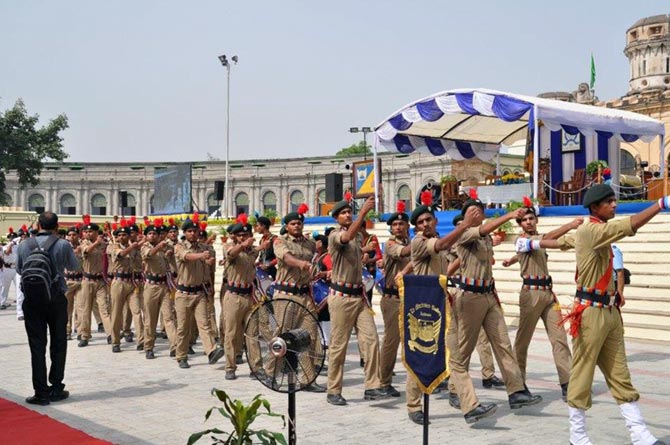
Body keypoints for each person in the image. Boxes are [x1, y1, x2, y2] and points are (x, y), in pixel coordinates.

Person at [516, 184, 668, 445]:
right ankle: (578, 435)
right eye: (608, 202)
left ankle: (639, 433)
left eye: (614, 200)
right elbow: (626, 227)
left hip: (609, 311)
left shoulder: (590, 233)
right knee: (582, 373)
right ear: (595, 207)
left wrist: (535, 242)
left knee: (620, 373)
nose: (614, 205)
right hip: (590, 313)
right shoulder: (591, 230)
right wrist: (660, 204)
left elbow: (563, 241)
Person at [449, 191, 542, 424]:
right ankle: (461, 396)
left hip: (488, 294)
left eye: (479, 210)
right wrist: (511, 214)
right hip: (469, 297)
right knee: (463, 351)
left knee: (503, 343)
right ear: (464, 216)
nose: (476, 214)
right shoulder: (466, 232)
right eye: (472, 211)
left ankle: (516, 391)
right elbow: (480, 230)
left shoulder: (485, 237)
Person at [502, 199, 579, 401]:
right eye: (524, 220)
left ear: (536, 220)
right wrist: (569, 226)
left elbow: (531, 250)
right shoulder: (520, 240)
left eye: (531, 218)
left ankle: (568, 382)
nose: (528, 222)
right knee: (522, 341)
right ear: (520, 225)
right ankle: (518, 386)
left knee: (559, 338)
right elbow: (546, 239)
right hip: (531, 294)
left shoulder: (535, 240)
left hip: (547, 292)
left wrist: (511, 260)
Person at [325, 195, 389, 406]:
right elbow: (345, 240)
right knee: (339, 345)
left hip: (358, 296)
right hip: (341, 297)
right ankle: (333, 389)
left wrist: (368, 253)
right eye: (343, 213)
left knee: (371, 340)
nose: (347, 215)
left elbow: (355, 250)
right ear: (336, 218)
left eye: (348, 212)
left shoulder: (358, 238)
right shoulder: (335, 235)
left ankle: (372, 386)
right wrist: (363, 214)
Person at [17, 211, 78, 405]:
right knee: (59, 343)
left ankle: (40, 392)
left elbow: (19, 269)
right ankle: (56, 387)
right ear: (56, 226)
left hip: (33, 300)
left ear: (37, 224)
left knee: (37, 346)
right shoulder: (62, 244)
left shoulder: (24, 244)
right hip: (56, 298)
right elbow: (74, 266)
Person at [268, 204, 326, 391]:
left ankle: (308, 379)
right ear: (287, 226)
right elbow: (286, 258)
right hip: (285, 295)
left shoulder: (310, 244)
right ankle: (270, 373)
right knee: (282, 335)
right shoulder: (280, 241)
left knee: (308, 336)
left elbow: (312, 265)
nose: (297, 226)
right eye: (293, 224)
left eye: (299, 223)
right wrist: (301, 264)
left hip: (304, 294)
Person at [173, 215, 224, 369]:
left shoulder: (203, 248)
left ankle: (211, 351)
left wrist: (208, 261)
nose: (193, 234)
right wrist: (201, 257)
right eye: (190, 231)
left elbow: (209, 260)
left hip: (199, 292)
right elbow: (187, 257)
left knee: (205, 324)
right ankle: (181, 355)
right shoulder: (179, 247)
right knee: (183, 327)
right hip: (183, 294)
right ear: (185, 233)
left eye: (195, 231)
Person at [378, 202, 411, 401]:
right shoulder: (390, 244)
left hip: (409, 297)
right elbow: (404, 253)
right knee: (392, 341)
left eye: (402, 223)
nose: (398, 227)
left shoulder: (412, 242)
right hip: (392, 298)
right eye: (395, 224)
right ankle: (384, 381)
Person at [221, 215, 259, 379]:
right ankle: (230, 367)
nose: (243, 238)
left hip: (249, 295)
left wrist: (261, 246)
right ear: (235, 237)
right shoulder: (230, 247)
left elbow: (258, 250)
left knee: (252, 332)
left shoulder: (252, 251)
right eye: (240, 235)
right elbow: (231, 253)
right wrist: (242, 245)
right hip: (233, 295)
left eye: (246, 235)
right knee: (231, 333)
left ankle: (256, 368)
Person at [141, 219, 176, 359]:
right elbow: (149, 254)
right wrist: (160, 247)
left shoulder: (163, 248)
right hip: (151, 286)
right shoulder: (145, 247)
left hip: (164, 285)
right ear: (146, 236)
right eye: (150, 234)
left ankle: (175, 346)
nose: (153, 236)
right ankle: (148, 346)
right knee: (151, 319)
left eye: (155, 234)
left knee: (169, 317)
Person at [78, 216, 113, 347]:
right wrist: (97, 243)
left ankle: (111, 334)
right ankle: (85, 335)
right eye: (86, 232)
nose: (87, 234)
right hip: (87, 281)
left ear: (96, 233)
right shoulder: (84, 244)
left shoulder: (104, 245)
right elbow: (86, 251)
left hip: (100, 281)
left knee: (104, 308)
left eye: (91, 231)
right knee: (85, 309)